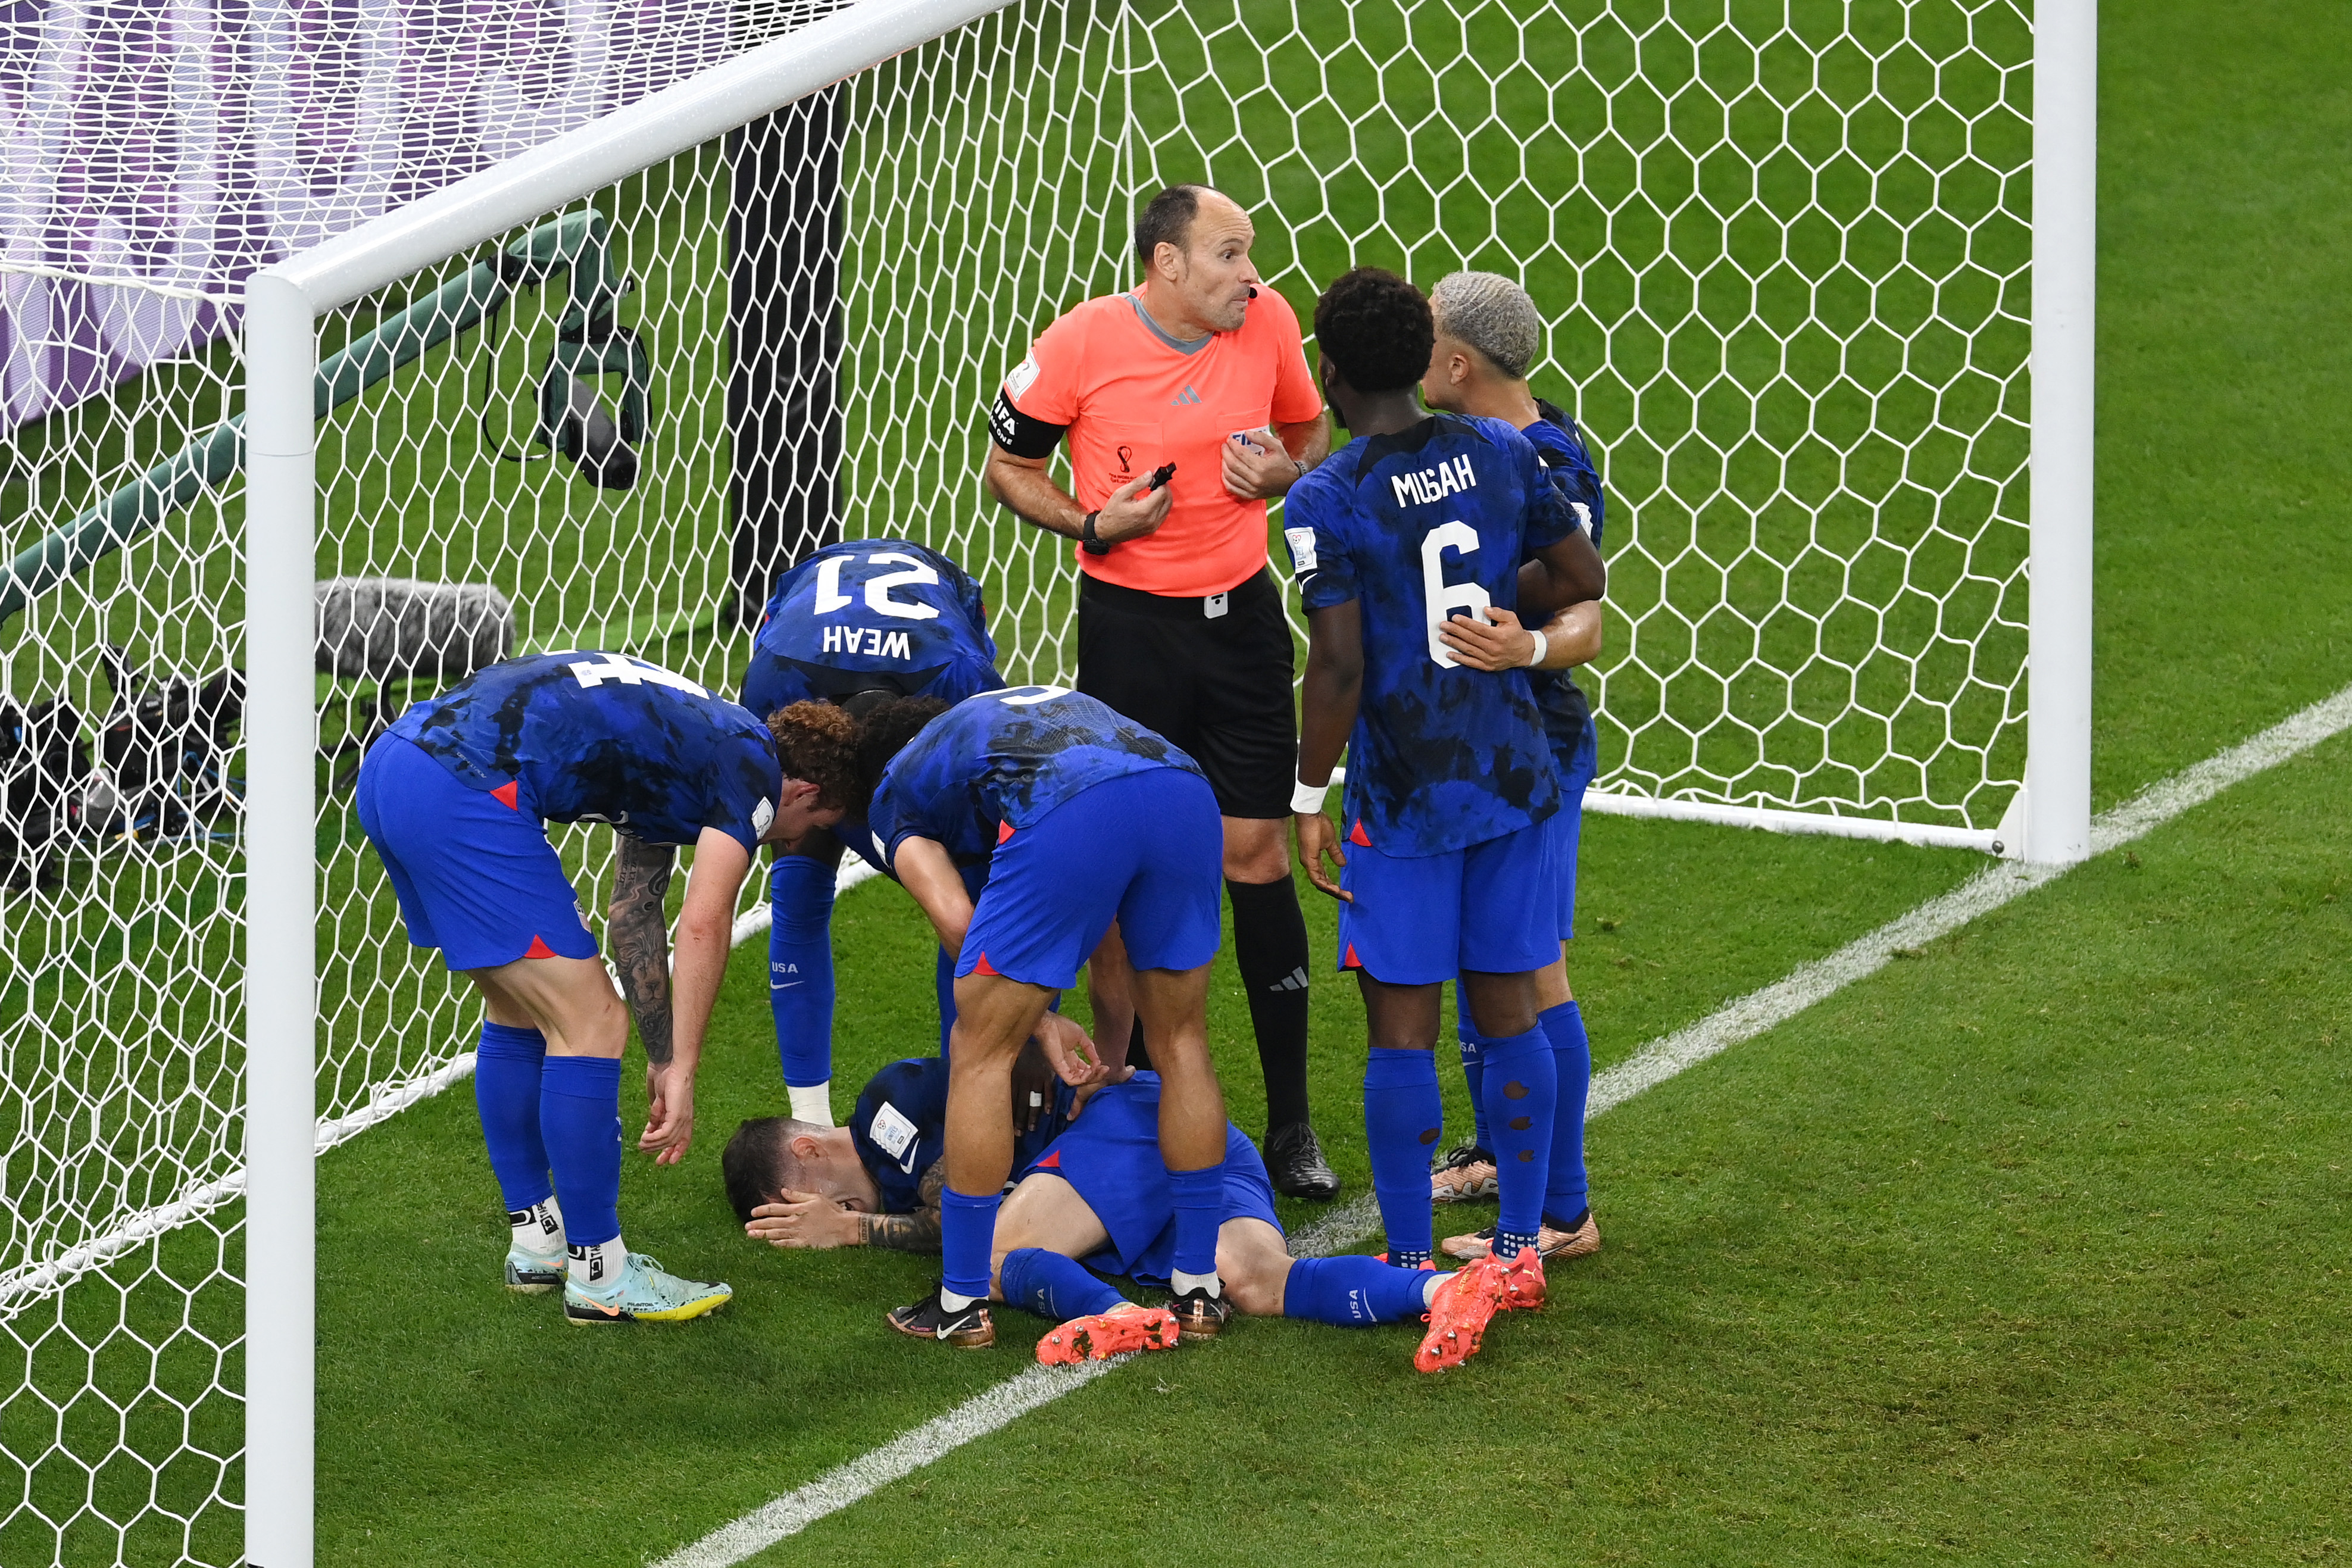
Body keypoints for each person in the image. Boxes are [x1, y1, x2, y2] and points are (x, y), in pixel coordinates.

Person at [982, 182, 1340, 1201]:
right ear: (1166, 264)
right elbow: (1008, 465)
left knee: (1255, 852)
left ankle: (1291, 1120)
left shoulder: (1267, 322)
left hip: (1242, 629)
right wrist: (1092, 525)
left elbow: (1310, 437)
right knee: (1127, 868)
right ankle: (1127, 1090)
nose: (1253, 275)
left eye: (1252, 253)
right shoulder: (1081, 344)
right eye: (1229, 254)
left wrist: (1281, 471)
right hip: (1130, 637)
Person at [355, 651, 860, 1324]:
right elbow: (704, 923)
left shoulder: (695, 742)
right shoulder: (755, 774)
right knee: (592, 1023)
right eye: (813, 828)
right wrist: (685, 1068)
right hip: (466, 788)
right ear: (801, 794)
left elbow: (633, 911)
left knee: (520, 1011)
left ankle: (539, 1244)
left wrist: (660, 1054)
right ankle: (602, 1274)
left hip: (396, 764)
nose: (793, 844)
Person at [1283, 267, 1596, 1311]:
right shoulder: (1504, 450)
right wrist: (1497, 618)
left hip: (1405, 793)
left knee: (1402, 1025)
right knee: (1509, 1002)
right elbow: (1581, 576)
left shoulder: (1324, 494)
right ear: (1424, 358)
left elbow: (1335, 667)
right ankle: (1516, 1246)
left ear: (1327, 369)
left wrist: (1306, 795)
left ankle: (1414, 1264)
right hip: (1511, 773)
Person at [748, 684, 1234, 1348]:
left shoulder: (895, 792)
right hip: (1180, 786)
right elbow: (1113, 949)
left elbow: (955, 921)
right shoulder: (990, 723)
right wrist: (1110, 1062)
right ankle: (1198, 1289)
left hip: (1072, 804)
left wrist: (1034, 1020)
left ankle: (962, 1301)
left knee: (978, 1047)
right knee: (1181, 1040)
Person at [728, 1063, 1513, 1373]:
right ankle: (1445, 1290)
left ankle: (1116, 1314)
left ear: (807, 1154)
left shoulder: (884, 1111)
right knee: (1252, 1279)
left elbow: (955, 1220)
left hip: (1130, 1125)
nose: (846, 1212)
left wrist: (855, 1229)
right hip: (1179, 1141)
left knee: (986, 1260)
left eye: (828, 1200)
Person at [1417, 270, 1610, 1265]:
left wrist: (1522, 639)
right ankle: (1501, 1149)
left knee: (1532, 967)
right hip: (1476, 744)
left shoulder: (1544, 464)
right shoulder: (1492, 441)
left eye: (1426, 334)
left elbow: (1581, 608)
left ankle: (1565, 1210)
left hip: (1531, 741)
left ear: (1457, 363)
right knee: (1485, 952)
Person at [727, 536, 1006, 1126]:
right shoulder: (773, 682)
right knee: (800, 856)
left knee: (982, 884)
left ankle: (973, 1105)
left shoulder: (964, 682)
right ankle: (810, 1122)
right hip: (812, 618)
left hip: (927, 611)